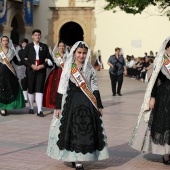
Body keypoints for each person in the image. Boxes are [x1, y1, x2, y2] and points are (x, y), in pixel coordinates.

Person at [47, 41, 109, 170]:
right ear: (74, 53)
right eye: (79, 53)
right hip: (71, 102)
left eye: (84, 53)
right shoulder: (69, 67)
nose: (81, 55)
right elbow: (62, 87)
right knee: (71, 130)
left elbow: (95, 87)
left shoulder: (90, 68)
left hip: (87, 103)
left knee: (85, 130)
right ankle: (73, 157)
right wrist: (58, 107)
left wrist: (99, 105)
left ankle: (81, 158)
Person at [129, 36, 170, 165]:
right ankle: (166, 155)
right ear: (167, 48)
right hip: (163, 97)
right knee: (164, 125)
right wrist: (152, 98)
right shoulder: (162, 61)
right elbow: (154, 81)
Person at [21, 29, 53, 117]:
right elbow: (23, 59)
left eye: (39, 35)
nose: (37, 36)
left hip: (41, 71)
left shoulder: (45, 47)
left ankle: (39, 110)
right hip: (31, 70)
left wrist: (43, 65)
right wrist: (31, 65)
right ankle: (31, 107)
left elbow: (50, 60)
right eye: (35, 35)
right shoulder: (28, 46)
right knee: (31, 89)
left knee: (39, 89)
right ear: (32, 36)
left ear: (41, 36)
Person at [0, 36, 25, 116]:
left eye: (6, 40)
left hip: (9, 73)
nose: (5, 42)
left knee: (9, 89)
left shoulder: (11, 52)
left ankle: (6, 107)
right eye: (3, 40)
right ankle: (1, 107)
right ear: (1, 42)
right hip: (0, 72)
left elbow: (17, 62)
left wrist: (26, 61)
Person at [43, 40, 68, 108]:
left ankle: (64, 104)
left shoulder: (67, 55)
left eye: (63, 46)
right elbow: (51, 64)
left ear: (65, 47)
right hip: (56, 73)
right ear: (58, 47)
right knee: (55, 88)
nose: (61, 47)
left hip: (65, 73)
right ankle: (55, 104)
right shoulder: (55, 55)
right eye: (60, 46)